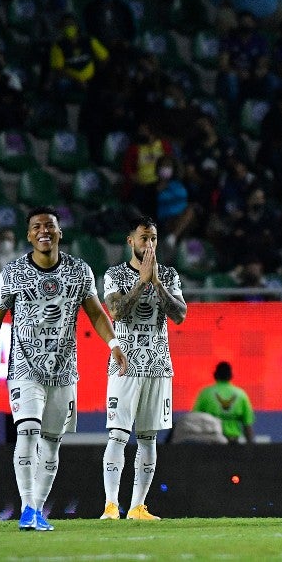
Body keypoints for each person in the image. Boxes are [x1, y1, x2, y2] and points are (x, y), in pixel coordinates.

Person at [0, 207, 128, 531]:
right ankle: (28, 509)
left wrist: (114, 344)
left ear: (60, 233)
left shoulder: (79, 271)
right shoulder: (14, 272)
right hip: (24, 368)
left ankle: (36, 510)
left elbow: (97, 314)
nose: (44, 230)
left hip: (63, 373)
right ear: (29, 235)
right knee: (27, 431)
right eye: (37, 226)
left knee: (50, 443)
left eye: (50, 225)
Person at [100, 216, 187, 521]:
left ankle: (138, 506)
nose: (149, 244)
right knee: (118, 436)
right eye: (143, 238)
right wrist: (140, 283)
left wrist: (157, 283)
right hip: (125, 364)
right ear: (130, 241)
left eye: (153, 238)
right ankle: (111, 505)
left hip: (159, 364)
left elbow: (179, 315)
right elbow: (116, 312)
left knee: (148, 438)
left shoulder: (169, 275)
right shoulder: (114, 275)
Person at [192, 361, 256, 444]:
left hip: (211, 444)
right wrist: (251, 450)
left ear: (215, 375)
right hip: (233, 443)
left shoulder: (205, 393)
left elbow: (194, 419)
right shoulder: (241, 394)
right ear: (231, 376)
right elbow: (247, 425)